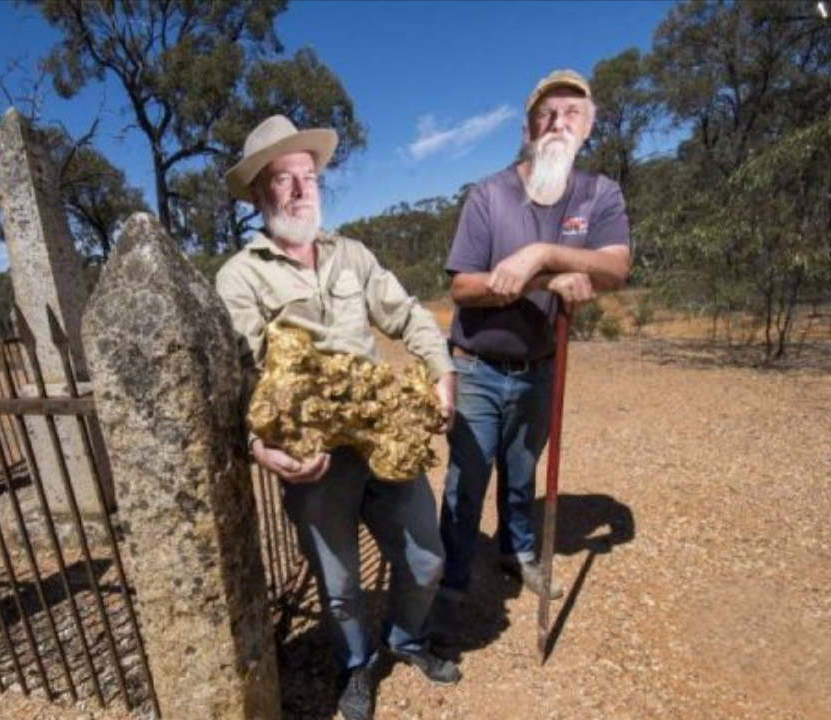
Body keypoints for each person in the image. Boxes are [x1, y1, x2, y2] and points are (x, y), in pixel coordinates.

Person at [215, 115, 461, 720]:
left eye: (308, 176)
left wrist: (441, 372)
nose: (302, 189)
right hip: (314, 461)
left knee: (426, 559)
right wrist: (259, 446)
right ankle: (356, 666)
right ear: (257, 194)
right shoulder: (239, 276)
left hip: (384, 438)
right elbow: (242, 380)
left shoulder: (351, 255)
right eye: (283, 178)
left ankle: (406, 639)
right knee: (341, 584)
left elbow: (406, 314)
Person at [435, 70, 631, 620]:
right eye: (546, 114)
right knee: (466, 478)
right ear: (527, 127)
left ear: (588, 127)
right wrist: (543, 279)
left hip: (540, 366)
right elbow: (462, 287)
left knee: (521, 475)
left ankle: (516, 551)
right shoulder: (488, 196)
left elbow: (616, 268)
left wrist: (542, 253)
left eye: (572, 114)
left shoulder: (599, 194)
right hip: (476, 366)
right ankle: (450, 578)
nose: (558, 123)